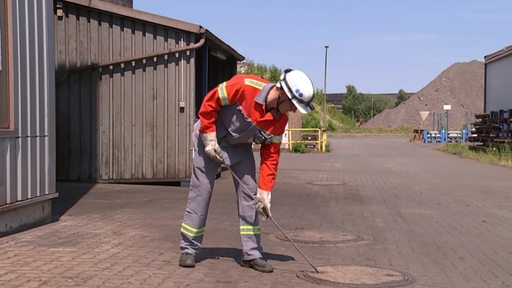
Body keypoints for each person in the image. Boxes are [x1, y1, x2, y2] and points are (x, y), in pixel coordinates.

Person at [178, 68, 315, 273]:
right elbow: (210, 101)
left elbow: (271, 157)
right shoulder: (245, 86)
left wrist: (265, 192)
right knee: (202, 191)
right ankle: (189, 249)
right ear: (282, 94)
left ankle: (251, 254)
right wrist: (208, 136)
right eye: (293, 105)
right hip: (210, 135)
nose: (294, 111)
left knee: (250, 195)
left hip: (239, 148)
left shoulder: (280, 120)